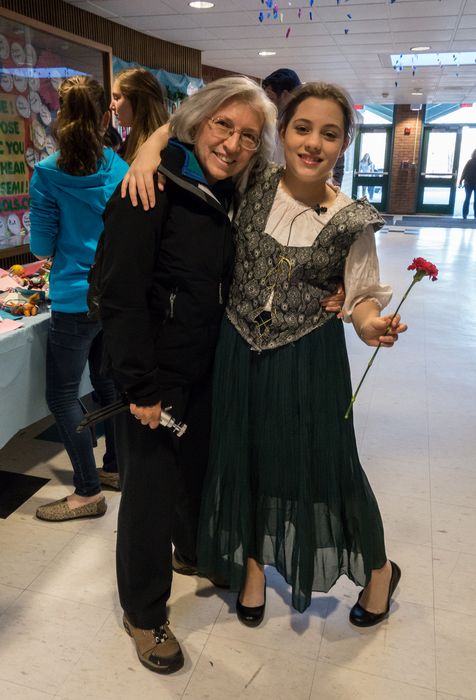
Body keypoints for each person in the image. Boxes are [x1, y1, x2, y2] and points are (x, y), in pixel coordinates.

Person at [195, 82, 406, 628]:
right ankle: (253, 569)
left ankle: (379, 571)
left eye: (329, 134)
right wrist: (147, 152)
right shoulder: (251, 179)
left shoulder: (351, 219)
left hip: (309, 359)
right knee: (244, 457)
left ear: (343, 145)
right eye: (302, 128)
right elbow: (187, 133)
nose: (313, 144)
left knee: (328, 468)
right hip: (238, 351)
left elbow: (359, 297)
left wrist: (369, 323)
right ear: (282, 133)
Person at [97, 76, 277, 675]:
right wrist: (140, 389)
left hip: (205, 365)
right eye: (223, 125)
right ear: (197, 122)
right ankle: (144, 614)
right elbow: (118, 295)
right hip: (152, 371)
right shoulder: (149, 189)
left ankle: (191, 552)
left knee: (193, 471)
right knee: (147, 493)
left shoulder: (230, 192)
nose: (232, 142)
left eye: (248, 135)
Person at [29, 76, 129, 520]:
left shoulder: (48, 173)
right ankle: (116, 469)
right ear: (104, 115)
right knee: (107, 384)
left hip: (73, 297)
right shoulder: (120, 169)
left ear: (60, 117)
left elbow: (41, 248)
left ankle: (87, 491)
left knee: (63, 396)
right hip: (115, 296)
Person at [110, 67, 168, 164]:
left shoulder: (163, 149)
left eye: (117, 98)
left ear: (138, 102)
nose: (111, 106)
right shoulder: (130, 142)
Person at [459, 149, 476, 219]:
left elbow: (464, 172)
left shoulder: (469, 162)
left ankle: (464, 214)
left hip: (468, 183)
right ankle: (475, 215)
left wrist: (460, 181)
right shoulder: (469, 162)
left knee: (467, 198)